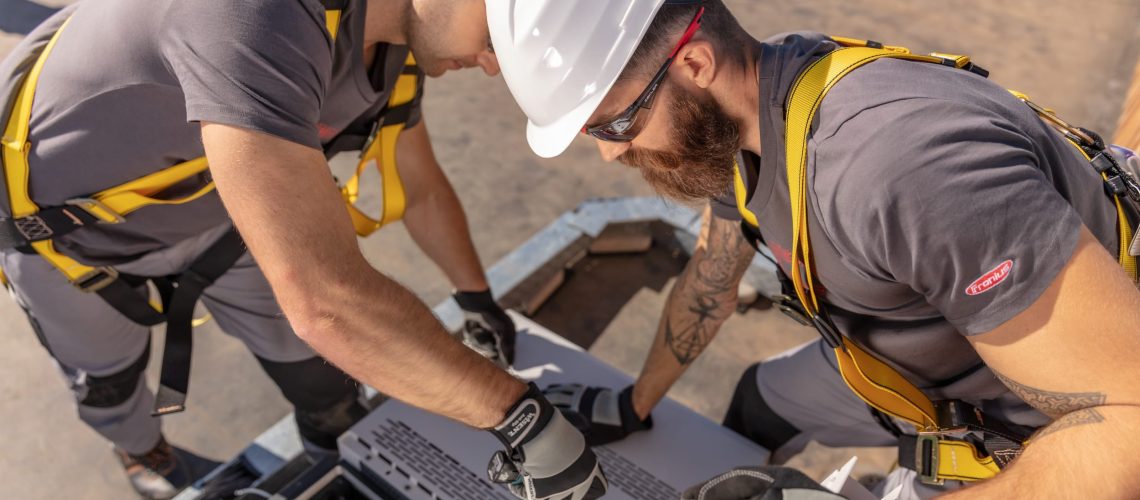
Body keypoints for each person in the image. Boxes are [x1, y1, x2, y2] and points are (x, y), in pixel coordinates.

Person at [488, 0, 1140, 497]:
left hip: (1052, 404)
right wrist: (635, 403)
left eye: (615, 122)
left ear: (692, 64)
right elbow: (712, 281)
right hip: (913, 353)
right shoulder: (747, 113)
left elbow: (1127, 421)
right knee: (760, 401)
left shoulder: (894, 168)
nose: (610, 152)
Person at [0, 1, 601, 499]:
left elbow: (420, 190)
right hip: (69, 242)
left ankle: (333, 440)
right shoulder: (256, 16)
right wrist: (524, 418)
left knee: (324, 376)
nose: (498, 65)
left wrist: (477, 298)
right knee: (111, 384)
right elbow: (326, 303)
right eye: (501, 31)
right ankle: (139, 451)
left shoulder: (394, 44)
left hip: (217, 218)